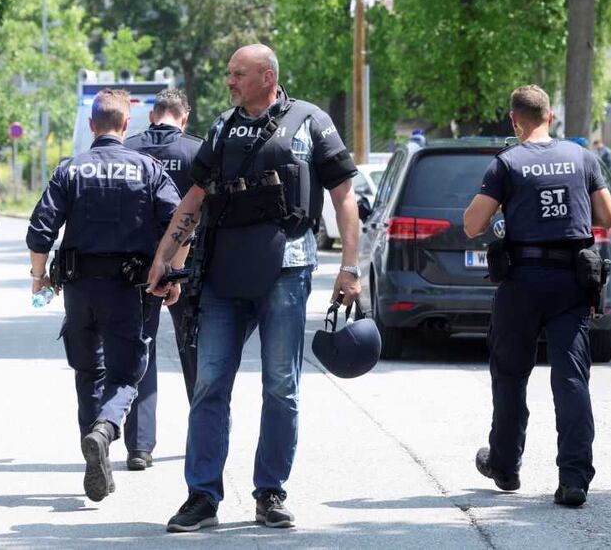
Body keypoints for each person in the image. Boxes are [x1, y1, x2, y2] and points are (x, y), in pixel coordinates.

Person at [145, 44, 362, 531]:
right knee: (209, 383)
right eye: (229, 73)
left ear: (267, 76)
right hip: (223, 272)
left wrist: (350, 267)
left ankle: (270, 492)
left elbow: (344, 195)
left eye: (238, 73)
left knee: (281, 385)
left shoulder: (310, 121)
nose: (230, 81)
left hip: (286, 269)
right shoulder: (222, 126)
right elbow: (194, 199)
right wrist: (164, 258)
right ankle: (202, 497)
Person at [26, 89, 183, 503]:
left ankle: (96, 454)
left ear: (92, 125)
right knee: (125, 376)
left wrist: (39, 277)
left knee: (87, 373)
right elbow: (180, 223)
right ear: (126, 125)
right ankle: (106, 428)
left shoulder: (70, 170)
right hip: (130, 290)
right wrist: (170, 273)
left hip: (79, 289)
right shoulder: (147, 169)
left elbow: (40, 230)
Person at [463, 85, 611, 507]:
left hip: (523, 281)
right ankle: (574, 479)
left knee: (511, 374)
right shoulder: (583, 158)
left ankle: (505, 466)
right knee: (571, 378)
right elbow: (606, 216)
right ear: (551, 117)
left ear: (515, 121)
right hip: (572, 281)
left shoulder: (507, 163)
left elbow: (472, 224)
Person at [121, 88, 202, 472]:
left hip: (138, 265)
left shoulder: (129, 148)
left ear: (153, 116)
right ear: (184, 118)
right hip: (189, 265)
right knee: (196, 349)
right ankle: (205, 434)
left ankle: (139, 446)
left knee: (142, 349)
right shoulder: (196, 151)